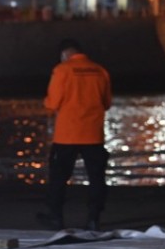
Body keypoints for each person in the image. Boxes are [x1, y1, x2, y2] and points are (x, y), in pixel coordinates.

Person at [38, 38, 112, 231]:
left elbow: (53, 103)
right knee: (96, 178)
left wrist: (47, 103)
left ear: (65, 54)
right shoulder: (100, 71)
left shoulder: (62, 70)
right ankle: (94, 218)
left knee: (59, 178)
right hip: (93, 134)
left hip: (67, 135)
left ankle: (56, 217)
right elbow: (106, 103)